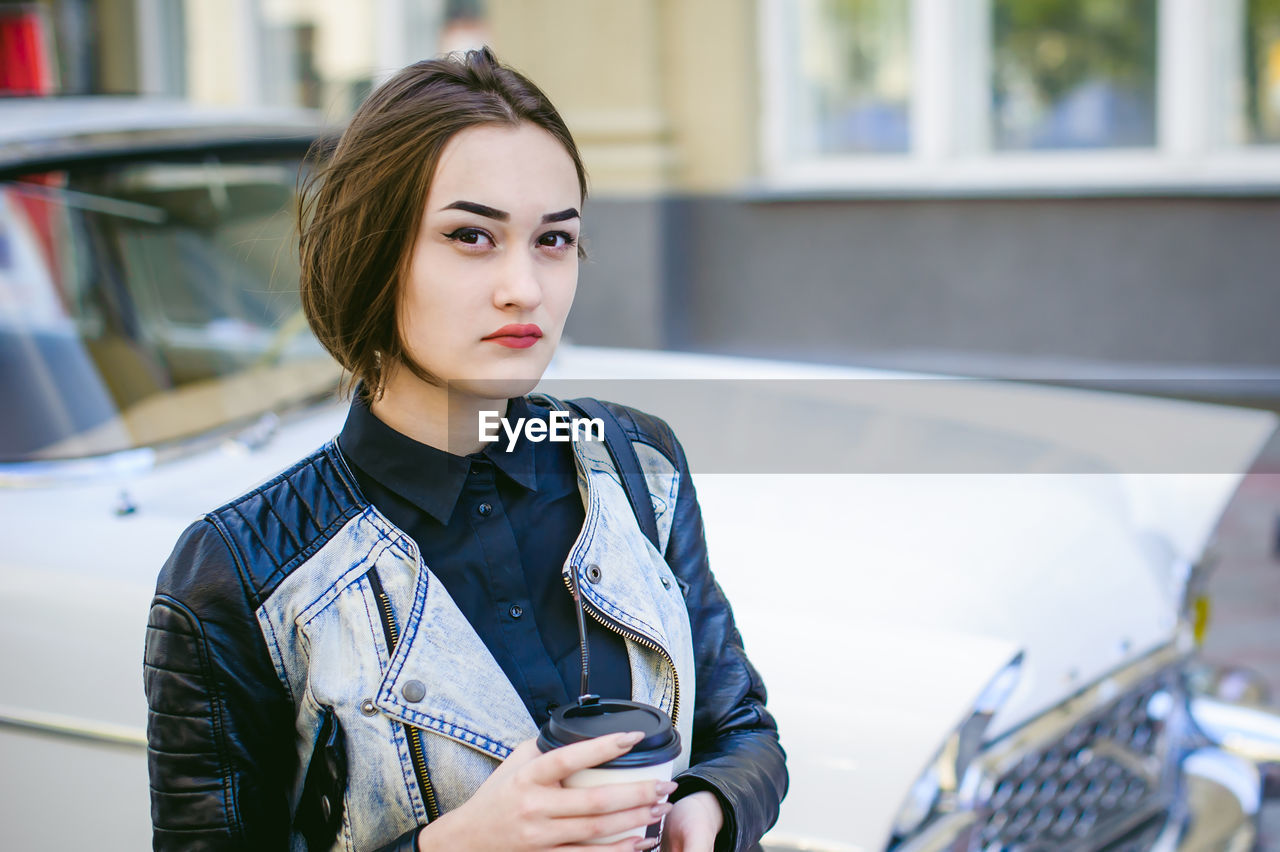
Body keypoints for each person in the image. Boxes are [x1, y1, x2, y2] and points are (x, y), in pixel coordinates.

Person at [144, 47, 786, 852]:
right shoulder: (235, 572)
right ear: (374, 250)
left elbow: (743, 728)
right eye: (472, 236)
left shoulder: (636, 463)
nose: (525, 287)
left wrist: (710, 808)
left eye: (553, 240)